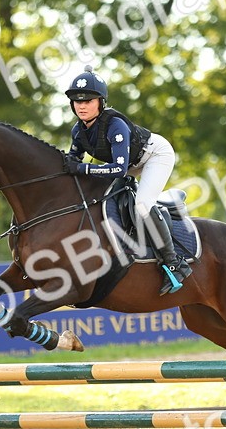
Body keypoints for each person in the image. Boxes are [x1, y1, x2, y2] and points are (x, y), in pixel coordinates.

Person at [63, 66, 192, 294]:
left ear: (101, 102)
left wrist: (83, 168)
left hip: (155, 155)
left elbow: (118, 169)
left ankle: (174, 262)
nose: (81, 106)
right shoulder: (78, 131)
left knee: (142, 204)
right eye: (77, 101)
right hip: (129, 162)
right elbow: (72, 164)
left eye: (88, 101)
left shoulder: (115, 125)